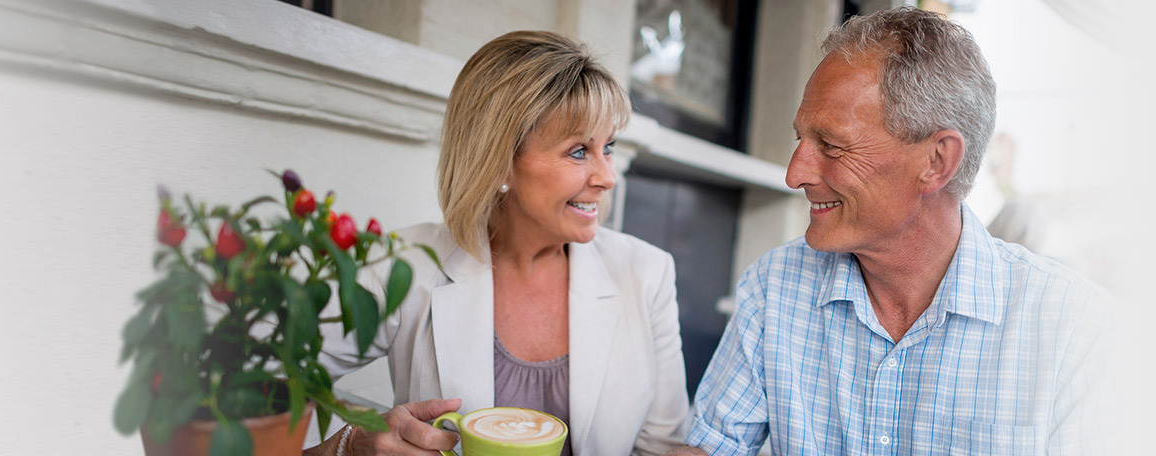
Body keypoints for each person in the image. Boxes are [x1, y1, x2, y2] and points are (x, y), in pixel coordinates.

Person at [670, 7, 1113, 456]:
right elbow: (713, 447)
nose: (795, 173)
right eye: (800, 139)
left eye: (832, 145)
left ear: (937, 162)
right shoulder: (775, 286)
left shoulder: (1074, 331)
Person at [304, 31, 690, 456]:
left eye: (608, 147)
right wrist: (349, 446)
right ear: (498, 158)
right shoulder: (406, 265)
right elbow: (251, 389)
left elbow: (663, 449)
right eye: (579, 151)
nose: (607, 177)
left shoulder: (647, 274)